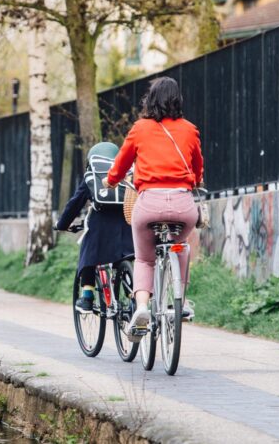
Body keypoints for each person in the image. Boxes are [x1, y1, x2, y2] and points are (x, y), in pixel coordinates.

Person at [103, 76, 204, 340]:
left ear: (150, 100)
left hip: (149, 204)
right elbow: (197, 168)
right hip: (183, 205)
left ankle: (143, 308)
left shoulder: (140, 128)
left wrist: (111, 180)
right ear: (177, 100)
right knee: (181, 247)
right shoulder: (190, 129)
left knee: (145, 259)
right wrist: (195, 180)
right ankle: (180, 301)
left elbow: (122, 163)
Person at [55, 142, 135, 312]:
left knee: (88, 253)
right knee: (125, 259)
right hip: (128, 224)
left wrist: (62, 224)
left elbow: (75, 204)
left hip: (100, 228)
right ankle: (133, 297)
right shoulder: (126, 173)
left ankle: (87, 297)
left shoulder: (92, 175)